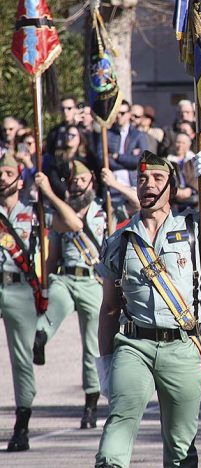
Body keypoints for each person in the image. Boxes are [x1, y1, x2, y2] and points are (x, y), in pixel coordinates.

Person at [93, 150, 201, 467]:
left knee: (181, 444)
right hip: (135, 346)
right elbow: (108, 310)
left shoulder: (194, 226)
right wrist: (104, 363)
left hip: (182, 347)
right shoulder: (119, 240)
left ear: (171, 188)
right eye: (142, 178)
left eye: (158, 178)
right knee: (121, 419)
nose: (148, 184)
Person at [0, 153, 81, 452]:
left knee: (21, 359)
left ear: (20, 180)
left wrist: (47, 193)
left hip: (19, 290)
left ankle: (21, 425)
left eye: (8, 173)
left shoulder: (35, 211)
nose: (2, 177)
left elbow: (73, 224)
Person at [33, 161, 110, 428]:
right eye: (73, 181)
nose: (77, 185)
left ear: (93, 183)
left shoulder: (106, 210)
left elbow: (78, 224)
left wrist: (116, 184)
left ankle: (90, 405)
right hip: (66, 277)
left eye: (82, 180)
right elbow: (52, 254)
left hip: (93, 281)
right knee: (54, 304)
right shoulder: (58, 215)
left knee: (92, 347)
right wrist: (42, 287)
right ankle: (39, 339)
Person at [43, 124, 100, 200]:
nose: (69, 138)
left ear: (79, 137)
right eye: (68, 135)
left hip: (83, 195)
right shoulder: (58, 156)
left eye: (72, 135)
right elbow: (53, 177)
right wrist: (64, 192)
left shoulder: (87, 158)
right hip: (63, 196)